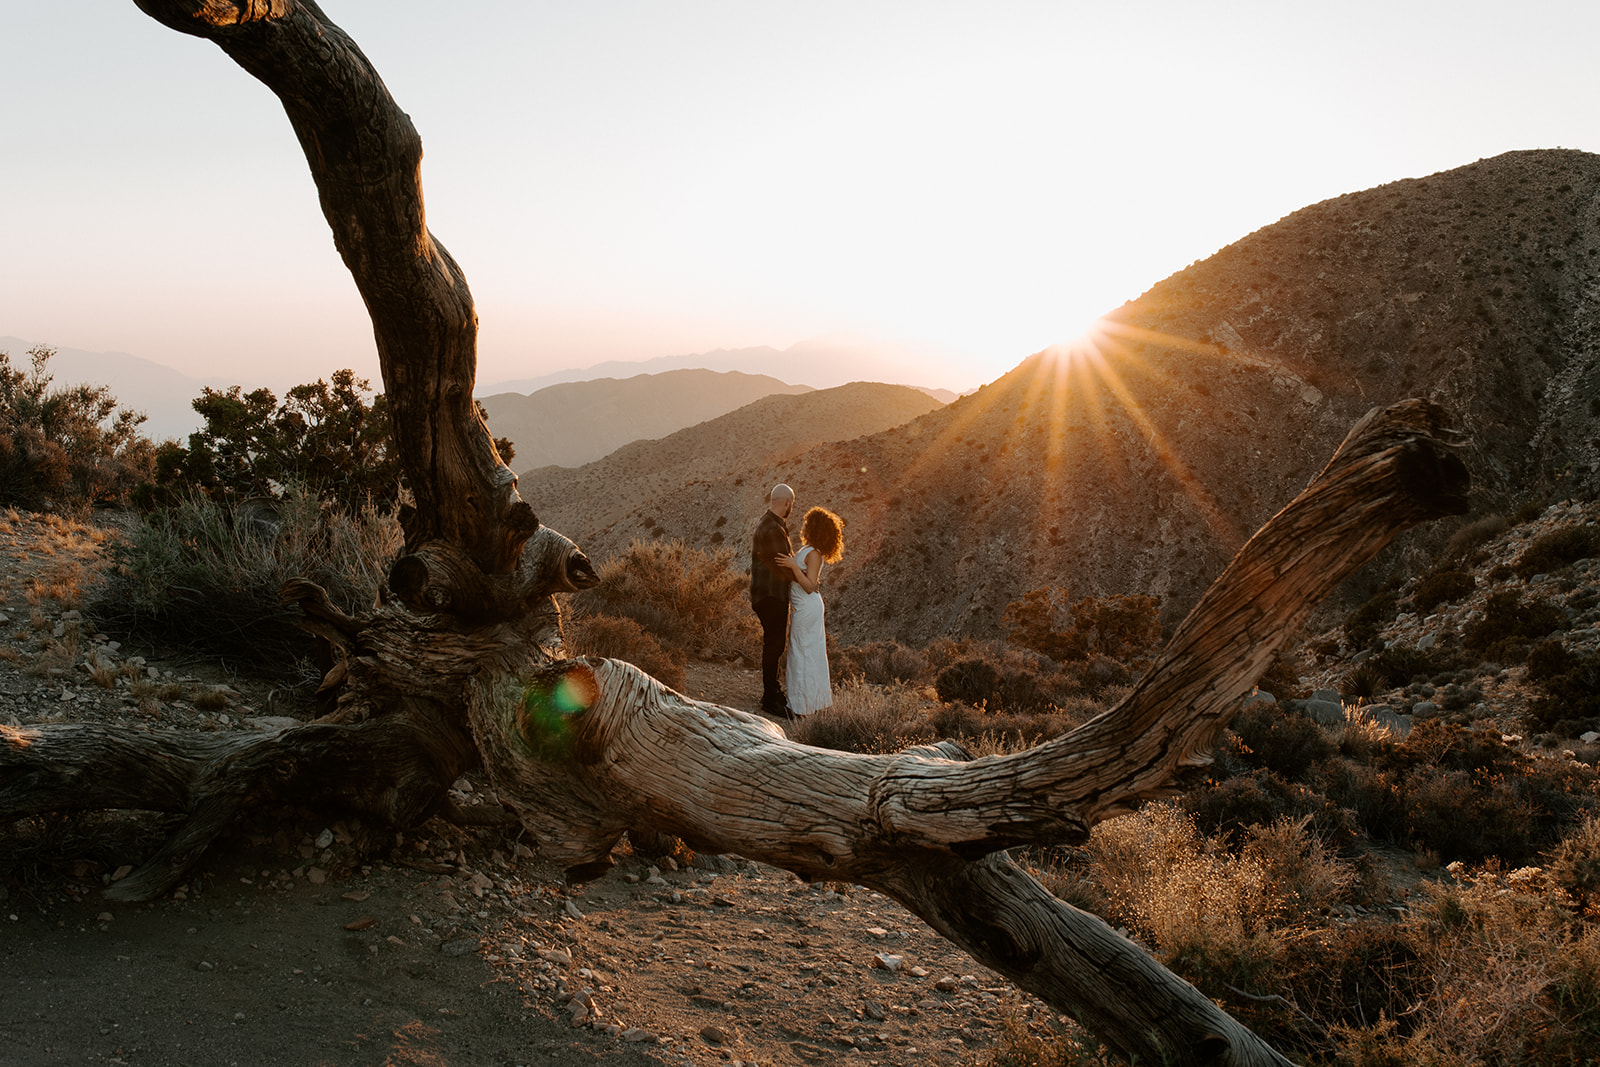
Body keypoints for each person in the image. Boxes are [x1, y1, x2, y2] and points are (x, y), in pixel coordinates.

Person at [777, 506, 845, 717]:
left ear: (814, 527)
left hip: (808, 607)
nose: (804, 525)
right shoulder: (809, 549)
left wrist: (793, 566)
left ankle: (802, 707)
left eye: (808, 523)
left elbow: (809, 586)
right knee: (802, 652)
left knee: (803, 652)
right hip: (803, 606)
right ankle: (804, 703)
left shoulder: (814, 554)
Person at [749, 483, 795, 717]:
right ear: (786, 502)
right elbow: (783, 565)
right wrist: (804, 576)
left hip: (764, 594)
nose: (791, 509)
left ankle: (773, 692)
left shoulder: (768, 524)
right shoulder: (773, 529)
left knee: (773, 644)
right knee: (774, 645)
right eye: (791, 505)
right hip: (771, 595)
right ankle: (770, 697)